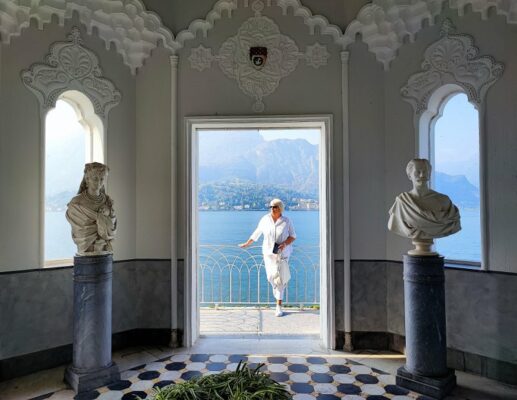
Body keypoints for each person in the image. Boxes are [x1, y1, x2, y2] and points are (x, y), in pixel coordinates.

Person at [388, 158, 460, 254]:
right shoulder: (402, 202)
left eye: (425, 172)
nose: (422, 175)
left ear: (429, 174)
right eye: (417, 172)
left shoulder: (443, 201)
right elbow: (392, 225)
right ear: (409, 175)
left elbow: (453, 222)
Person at [239, 198, 296, 317]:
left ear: (280, 208)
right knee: (271, 277)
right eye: (271, 207)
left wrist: (284, 244)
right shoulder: (265, 219)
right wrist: (247, 243)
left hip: (282, 255)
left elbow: (293, 236)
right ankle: (277, 291)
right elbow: (257, 233)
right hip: (269, 254)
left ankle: (278, 306)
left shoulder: (287, 221)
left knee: (280, 280)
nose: (272, 209)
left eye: (275, 207)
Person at [66, 162, 117, 256]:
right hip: (86, 251)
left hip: (104, 251)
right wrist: (100, 217)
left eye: (102, 179)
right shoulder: (76, 203)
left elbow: (112, 226)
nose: (99, 182)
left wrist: (107, 213)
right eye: (95, 179)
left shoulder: (108, 202)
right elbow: (81, 230)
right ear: (87, 179)